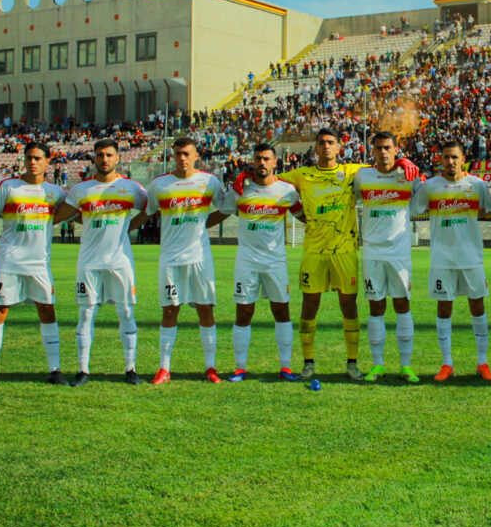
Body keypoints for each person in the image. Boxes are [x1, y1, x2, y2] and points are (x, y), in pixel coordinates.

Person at [270, 128, 417, 380]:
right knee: (309, 304)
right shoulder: (301, 174)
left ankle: (352, 363)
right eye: (321, 142)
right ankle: (308, 363)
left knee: (349, 305)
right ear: (315, 148)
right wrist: (247, 178)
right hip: (313, 251)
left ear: (339, 147)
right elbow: (271, 182)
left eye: (331, 142)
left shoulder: (354, 172)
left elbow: (383, 166)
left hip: (346, 251)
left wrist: (403, 160)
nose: (326, 146)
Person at [53, 138, 148, 386]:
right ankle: (83, 371)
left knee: (126, 312)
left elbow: (150, 209)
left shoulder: (131, 187)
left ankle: (130, 369)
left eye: (108, 155)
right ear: (94, 158)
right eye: (99, 155)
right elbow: (59, 215)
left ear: (118, 158)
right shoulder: (81, 190)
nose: (104, 159)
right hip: (89, 262)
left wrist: (129, 227)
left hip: (120, 261)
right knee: (85, 314)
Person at [131, 137, 224, 385]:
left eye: (187, 154)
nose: (182, 158)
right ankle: (164, 368)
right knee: (170, 310)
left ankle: (210, 367)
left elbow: (226, 207)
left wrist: (205, 224)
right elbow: (147, 212)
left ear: (196, 156)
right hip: (170, 258)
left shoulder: (209, 182)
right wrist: (124, 231)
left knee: (205, 309)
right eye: (178, 154)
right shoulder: (160, 185)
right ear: (173, 156)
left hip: (200, 258)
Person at [0, 142, 68, 390]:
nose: (32, 162)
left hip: (40, 264)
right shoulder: (8, 186)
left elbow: (74, 212)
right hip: (9, 261)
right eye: (29, 157)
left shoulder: (55, 192)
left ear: (48, 162)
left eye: (38, 158)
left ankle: (55, 370)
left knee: (47, 311)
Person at [208, 143, 303, 382]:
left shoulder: (287, 191)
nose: (262, 162)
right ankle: (240, 367)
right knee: (244, 312)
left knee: (282, 311)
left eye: (266, 159)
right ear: (253, 162)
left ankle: (286, 367)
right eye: (258, 158)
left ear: (275, 163)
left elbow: (303, 215)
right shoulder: (240, 190)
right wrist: (196, 225)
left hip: (275, 262)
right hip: (246, 261)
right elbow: (223, 212)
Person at [411, 141, 491, 381]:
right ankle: (447, 363)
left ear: (463, 159)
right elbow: (413, 208)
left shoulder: (477, 185)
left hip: (471, 258)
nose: (451, 162)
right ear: (441, 160)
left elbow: (489, 210)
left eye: (455, 157)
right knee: (444, 308)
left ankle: (482, 362)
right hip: (442, 259)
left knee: (477, 308)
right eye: (446, 157)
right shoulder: (430, 187)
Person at [353, 131, 420, 383]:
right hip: (372, 253)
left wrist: (414, 165)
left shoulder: (408, 175)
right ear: (373, 150)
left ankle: (406, 365)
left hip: (399, 253)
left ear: (396, 149)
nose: (383, 152)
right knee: (376, 306)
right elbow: (350, 196)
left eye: (387, 147)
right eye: (378, 147)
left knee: (402, 306)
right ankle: (378, 365)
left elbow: (424, 192)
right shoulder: (363, 176)